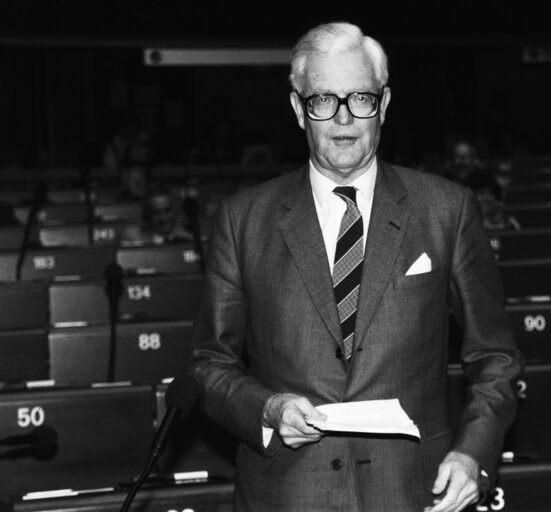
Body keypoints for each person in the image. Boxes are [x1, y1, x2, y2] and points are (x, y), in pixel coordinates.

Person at [188, 21, 522, 512]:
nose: (344, 119)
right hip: (285, 495)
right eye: (324, 100)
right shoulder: (244, 220)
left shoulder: (446, 210)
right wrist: (267, 408)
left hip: (414, 494)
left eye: (360, 98)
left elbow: (496, 357)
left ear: (383, 105)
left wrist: (473, 454)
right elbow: (209, 365)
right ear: (298, 110)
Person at [120, 185, 193, 246]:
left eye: (167, 211)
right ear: (148, 215)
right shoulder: (134, 240)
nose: (163, 218)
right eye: (156, 213)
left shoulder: (188, 240)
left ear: (174, 211)